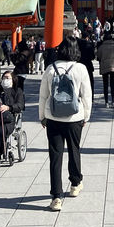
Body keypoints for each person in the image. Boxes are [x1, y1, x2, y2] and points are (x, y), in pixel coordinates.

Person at [38, 36, 92, 211]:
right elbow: (86, 95)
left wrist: (42, 116)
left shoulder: (50, 69)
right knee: (74, 149)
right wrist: (86, 115)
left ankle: (56, 196)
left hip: (53, 116)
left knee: (55, 156)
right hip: (74, 117)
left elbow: (43, 95)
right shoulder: (81, 68)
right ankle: (75, 184)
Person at [97, 31, 114, 108]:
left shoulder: (101, 47)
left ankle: (106, 102)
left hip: (104, 66)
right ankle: (113, 101)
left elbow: (98, 56)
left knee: (105, 85)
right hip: (113, 66)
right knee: (112, 84)